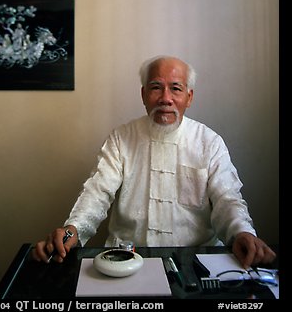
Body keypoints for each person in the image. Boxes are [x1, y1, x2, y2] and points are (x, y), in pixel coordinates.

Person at [33, 55, 276, 269]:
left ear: (189, 97)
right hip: (127, 257)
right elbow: (97, 193)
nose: (165, 99)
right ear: (143, 95)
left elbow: (227, 198)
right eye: (156, 88)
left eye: (176, 89)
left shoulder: (209, 142)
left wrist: (242, 232)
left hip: (195, 261)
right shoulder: (122, 138)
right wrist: (73, 228)